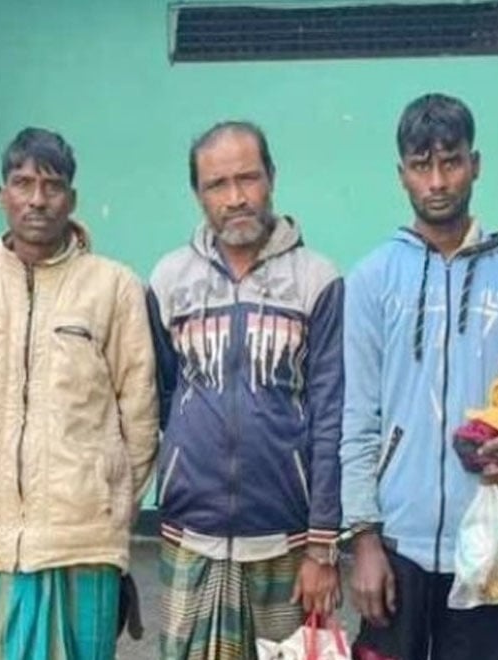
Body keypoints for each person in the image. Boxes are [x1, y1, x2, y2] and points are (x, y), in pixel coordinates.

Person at [339, 93, 498, 660]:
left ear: (476, 164)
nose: (438, 181)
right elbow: (357, 413)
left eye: (451, 162)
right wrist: (363, 539)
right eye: (421, 166)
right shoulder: (373, 278)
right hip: (396, 540)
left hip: (485, 538)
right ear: (402, 175)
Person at [0, 127, 159, 660]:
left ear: (71, 199)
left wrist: (113, 506)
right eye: (23, 183)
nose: (36, 199)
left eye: (52, 186)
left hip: (84, 542)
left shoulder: (114, 287)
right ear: (1, 194)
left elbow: (139, 410)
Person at [148, 120, 343, 659]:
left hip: (286, 541)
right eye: (217, 184)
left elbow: (331, 414)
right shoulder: (169, 280)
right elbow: (162, 396)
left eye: (248, 178)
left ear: (271, 178)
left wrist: (323, 546)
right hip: (191, 536)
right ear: (198, 194)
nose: (235, 198)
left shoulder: (317, 280)